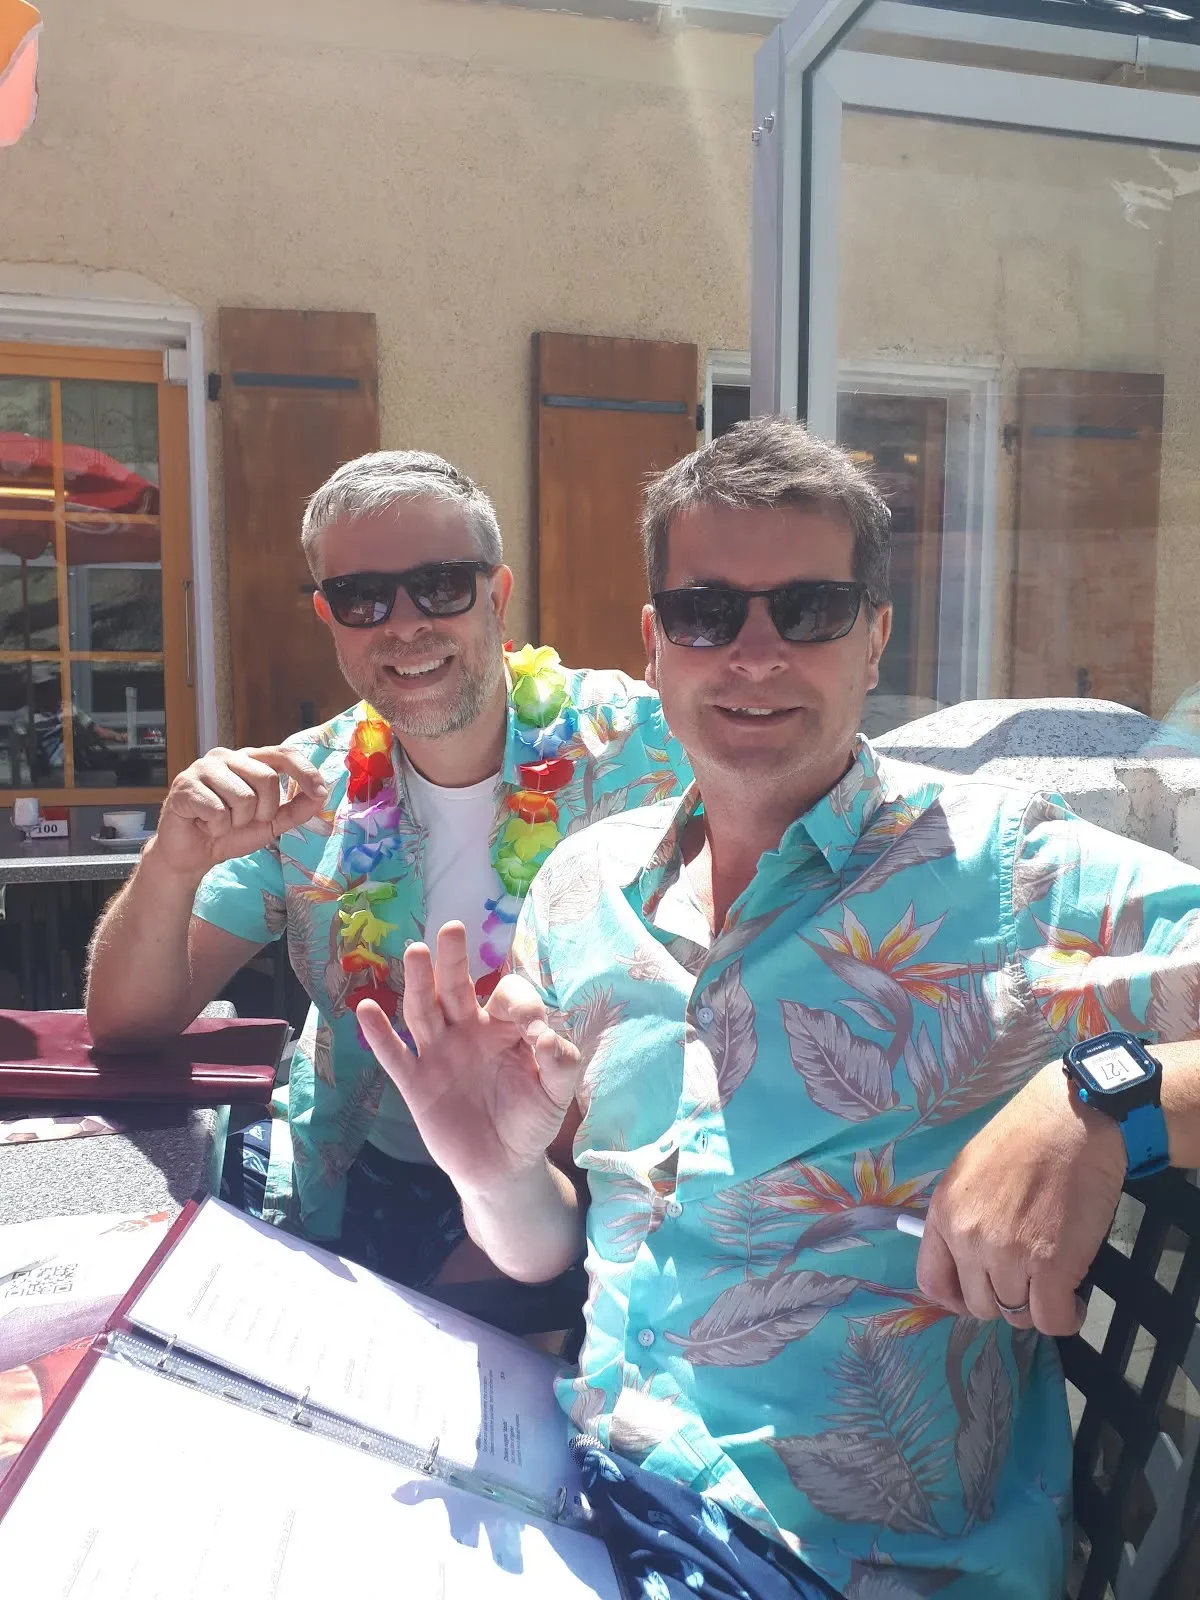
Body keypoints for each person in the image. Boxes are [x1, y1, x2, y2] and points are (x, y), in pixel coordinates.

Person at [357, 417, 1200, 1599]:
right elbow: (553, 1243)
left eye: (807, 610)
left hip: (851, 1565)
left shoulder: (1006, 876)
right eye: (708, 614)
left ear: (873, 640)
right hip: (593, 1499)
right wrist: (493, 1174)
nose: (754, 654)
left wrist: (1106, 1098)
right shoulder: (583, 888)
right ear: (656, 645)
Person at [86, 450, 689, 1289]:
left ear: (499, 595)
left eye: (441, 585)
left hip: (598, 1197)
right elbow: (126, 1025)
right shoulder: (302, 790)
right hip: (361, 1181)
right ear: (330, 619)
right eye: (364, 597)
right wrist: (170, 862)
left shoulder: (651, 748)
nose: (404, 624)